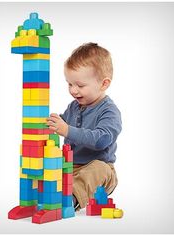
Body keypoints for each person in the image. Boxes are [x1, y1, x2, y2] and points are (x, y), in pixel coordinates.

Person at [46, 42, 122, 211]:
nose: (73, 90)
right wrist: (50, 123)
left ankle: (69, 199)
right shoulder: (74, 106)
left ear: (104, 84)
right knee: (50, 164)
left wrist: (66, 130)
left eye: (80, 85)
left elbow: (101, 140)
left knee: (99, 169)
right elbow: (62, 123)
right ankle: (46, 194)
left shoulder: (109, 111)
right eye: (69, 84)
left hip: (99, 172)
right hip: (69, 168)